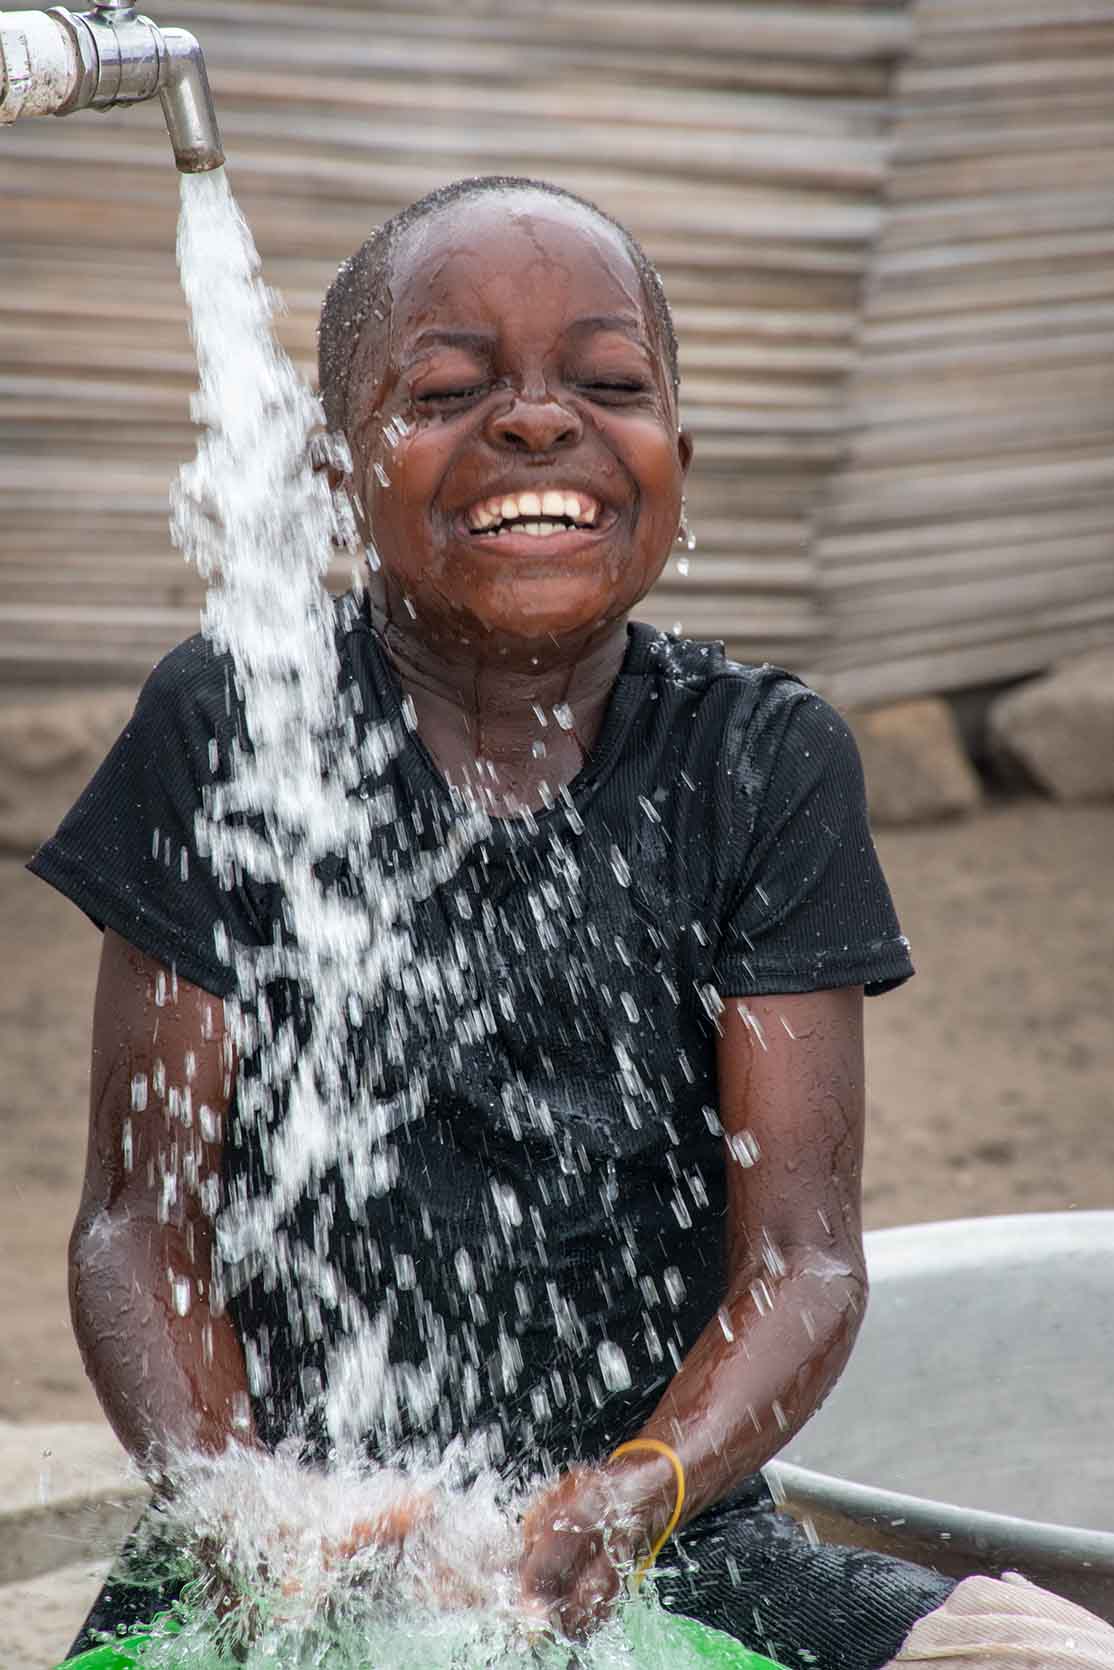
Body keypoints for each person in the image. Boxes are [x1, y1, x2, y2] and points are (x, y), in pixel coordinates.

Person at [34, 175, 958, 1669]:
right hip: (302, 1526)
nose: (538, 424)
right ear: (337, 473)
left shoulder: (760, 760)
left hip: (664, 1527)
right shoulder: (233, 725)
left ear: (680, 457)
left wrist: (642, 1488)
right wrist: (247, 1515)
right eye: (452, 389)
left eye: (607, 383)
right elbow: (143, 1227)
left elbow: (804, 1256)